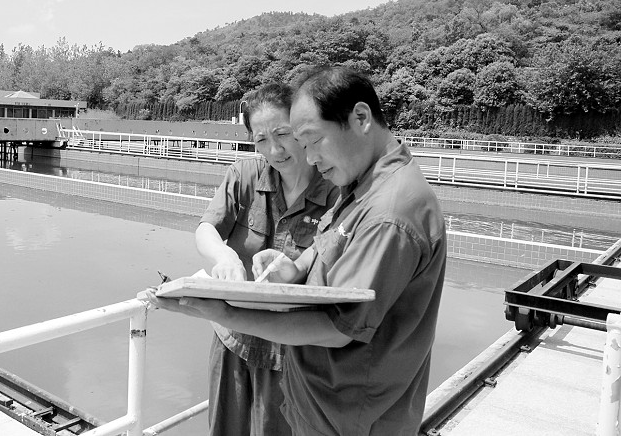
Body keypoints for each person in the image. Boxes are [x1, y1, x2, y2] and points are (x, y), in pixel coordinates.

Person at [147, 66, 446, 435]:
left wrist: (223, 311)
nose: (308, 156)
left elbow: (338, 328)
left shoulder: (386, 211)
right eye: (261, 140)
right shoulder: (359, 186)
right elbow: (329, 243)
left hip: (345, 411)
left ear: (361, 118)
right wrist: (293, 266)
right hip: (303, 387)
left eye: (307, 139)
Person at [196, 82, 339, 436]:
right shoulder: (243, 176)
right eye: (261, 139)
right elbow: (206, 229)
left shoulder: (335, 190)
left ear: (301, 127)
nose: (274, 149)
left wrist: (297, 270)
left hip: (291, 350)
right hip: (232, 337)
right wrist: (224, 254)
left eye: (283, 134)